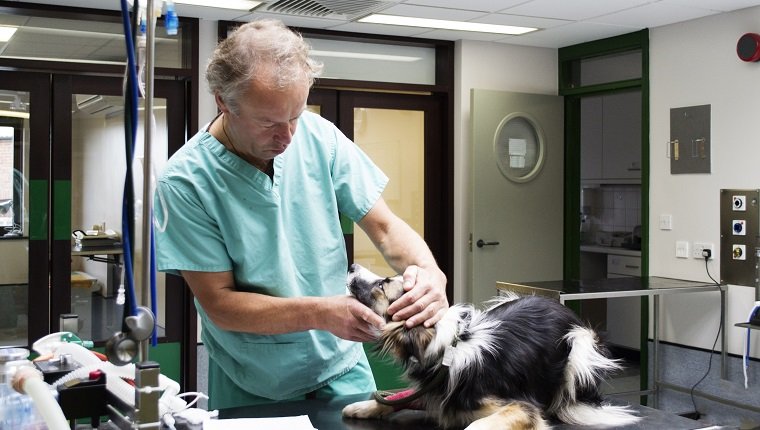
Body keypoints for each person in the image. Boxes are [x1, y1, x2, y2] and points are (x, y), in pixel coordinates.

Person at [153, 19, 448, 410]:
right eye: (269, 122)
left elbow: (386, 227)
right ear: (223, 101)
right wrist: (321, 312)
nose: (288, 136)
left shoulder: (318, 136)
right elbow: (219, 303)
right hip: (253, 377)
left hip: (341, 365)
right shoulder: (185, 182)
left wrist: (431, 273)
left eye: (295, 115)